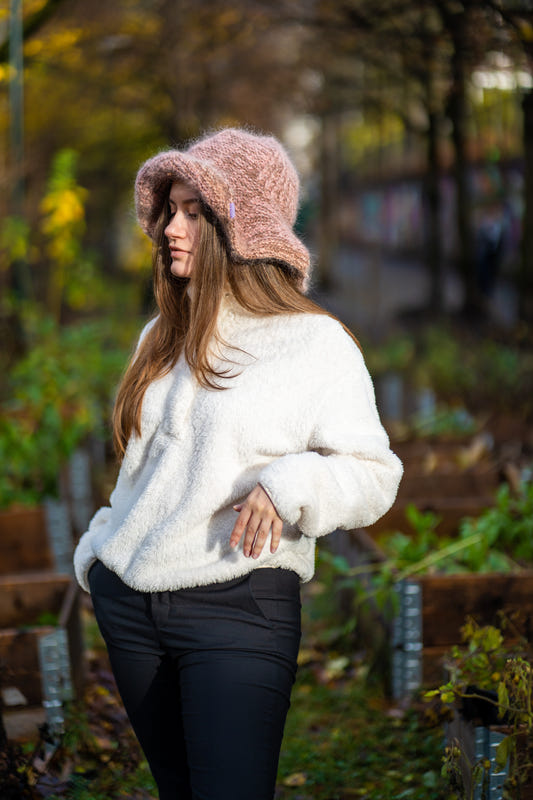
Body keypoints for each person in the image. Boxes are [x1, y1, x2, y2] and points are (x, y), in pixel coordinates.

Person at [74, 127, 403, 800]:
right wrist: (99, 553)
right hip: (131, 606)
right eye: (169, 209)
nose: (170, 227)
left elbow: (374, 474)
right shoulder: (159, 334)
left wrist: (288, 487)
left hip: (239, 605)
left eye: (194, 211)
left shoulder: (313, 344)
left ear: (241, 228)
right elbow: (141, 471)